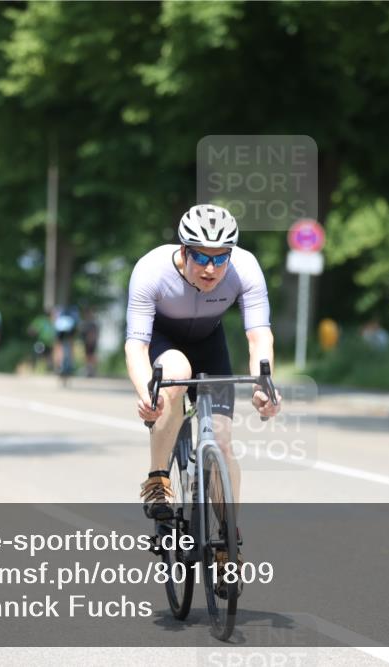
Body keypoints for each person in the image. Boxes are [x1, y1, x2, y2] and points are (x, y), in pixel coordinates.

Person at [125, 204, 282, 593]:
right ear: (183, 249)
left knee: (223, 443)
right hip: (165, 342)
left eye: (219, 258)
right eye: (200, 256)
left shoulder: (246, 269)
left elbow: (259, 336)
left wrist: (265, 385)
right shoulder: (151, 270)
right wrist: (149, 392)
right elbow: (135, 344)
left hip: (211, 344)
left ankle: (228, 543)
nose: (210, 268)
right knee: (175, 373)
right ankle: (159, 478)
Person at [53, 304, 79, 378]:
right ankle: (70, 364)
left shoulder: (59, 310)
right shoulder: (74, 310)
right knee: (70, 345)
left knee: (58, 346)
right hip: (69, 330)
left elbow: (55, 320)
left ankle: (58, 365)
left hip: (60, 329)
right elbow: (76, 324)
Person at [79, 308, 100, 378]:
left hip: (92, 342)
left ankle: (92, 370)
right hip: (87, 342)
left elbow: (96, 333)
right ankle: (89, 369)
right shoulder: (85, 323)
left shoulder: (92, 323)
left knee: (91, 356)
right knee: (88, 356)